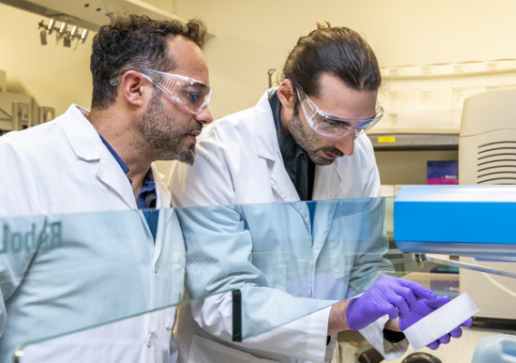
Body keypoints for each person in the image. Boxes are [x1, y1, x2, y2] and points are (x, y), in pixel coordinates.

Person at [169, 23, 471, 363]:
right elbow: (223, 303)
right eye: (332, 123)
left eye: (360, 125)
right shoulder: (216, 154)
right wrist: (342, 314)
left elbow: (364, 264)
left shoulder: (358, 151)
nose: (347, 145)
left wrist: (394, 317)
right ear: (287, 95)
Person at [0, 15, 213, 363]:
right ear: (134, 89)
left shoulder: (160, 198)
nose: (206, 115)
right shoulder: (21, 164)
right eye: (193, 95)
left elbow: (153, 336)